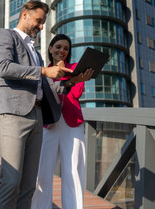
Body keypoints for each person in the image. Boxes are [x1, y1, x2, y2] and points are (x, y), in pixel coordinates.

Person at [0, 1, 81, 209]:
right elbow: (3, 68)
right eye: (39, 21)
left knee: (29, 185)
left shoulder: (35, 53)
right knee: (11, 181)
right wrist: (44, 71)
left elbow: (47, 88)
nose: (41, 27)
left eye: (43, 23)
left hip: (37, 116)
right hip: (13, 114)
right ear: (25, 15)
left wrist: (72, 81)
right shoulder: (5, 35)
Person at [31, 34, 93, 209]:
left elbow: (76, 93)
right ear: (50, 49)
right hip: (48, 124)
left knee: (73, 171)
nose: (62, 51)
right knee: (41, 173)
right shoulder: (44, 71)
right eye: (58, 47)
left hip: (72, 123)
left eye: (66, 48)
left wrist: (72, 77)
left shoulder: (75, 69)